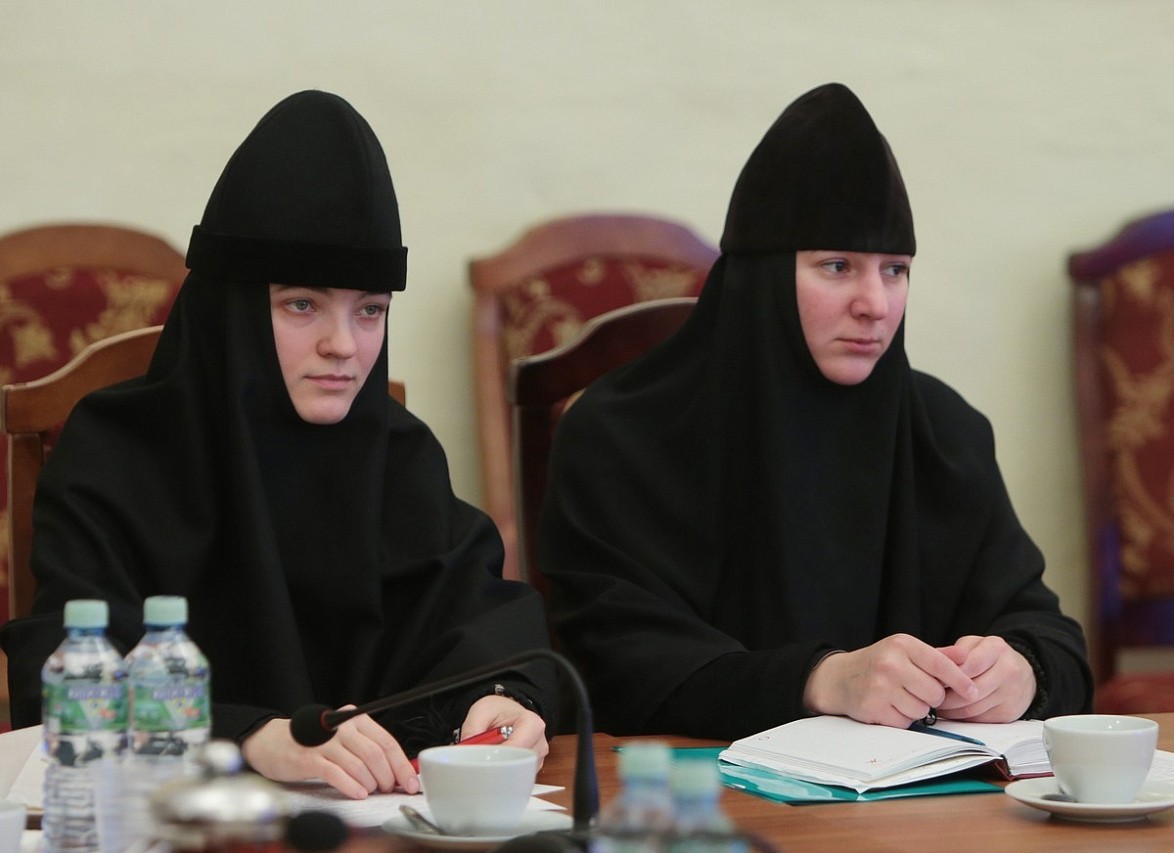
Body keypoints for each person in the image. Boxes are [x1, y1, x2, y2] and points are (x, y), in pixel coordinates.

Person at [0, 90, 556, 799]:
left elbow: (485, 619)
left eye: (370, 310)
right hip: (174, 830)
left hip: (380, 835)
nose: (343, 345)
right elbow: (66, 678)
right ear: (231, 310)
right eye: (302, 304)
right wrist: (248, 736)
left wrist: (506, 698)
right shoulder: (117, 453)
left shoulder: (400, 454)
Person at [537, 83, 1093, 741]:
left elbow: (1048, 631)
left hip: (929, 801)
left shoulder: (945, 433)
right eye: (837, 266)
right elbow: (617, 664)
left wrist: (1024, 670)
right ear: (763, 277)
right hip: (692, 792)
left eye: (895, 270)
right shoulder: (620, 435)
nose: (875, 304)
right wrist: (824, 680)